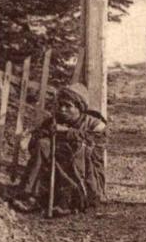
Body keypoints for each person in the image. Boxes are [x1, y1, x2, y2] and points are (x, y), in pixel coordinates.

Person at [11, 83, 107, 217]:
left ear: (80, 108)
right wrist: (38, 136)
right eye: (60, 105)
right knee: (43, 145)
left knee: (76, 152)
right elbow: (36, 142)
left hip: (86, 172)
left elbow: (96, 140)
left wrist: (68, 132)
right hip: (55, 169)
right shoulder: (53, 121)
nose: (62, 109)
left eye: (68, 106)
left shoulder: (95, 124)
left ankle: (68, 202)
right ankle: (31, 195)